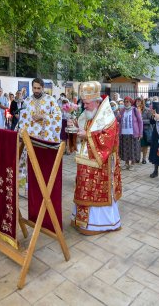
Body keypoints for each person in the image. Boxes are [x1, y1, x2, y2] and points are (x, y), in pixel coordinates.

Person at [69, 81, 122, 234]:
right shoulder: (89, 114)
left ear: (96, 102)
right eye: (84, 103)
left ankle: (100, 224)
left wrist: (88, 135)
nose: (84, 106)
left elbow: (108, 139)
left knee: (95, 191)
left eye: (86, 103)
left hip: (101, 163)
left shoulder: (107, 117)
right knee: (83, 188)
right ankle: (80, 220)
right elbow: (83, 131)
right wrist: (76, 127)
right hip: (86, 160)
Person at [18, 78, 62, 143]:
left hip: (45, 135)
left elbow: (58, 115)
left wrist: (44, 116)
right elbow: (22, 119)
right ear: (32, 87)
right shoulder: (27, 101)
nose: (36, 90)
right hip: (30, 135)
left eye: (38, 88)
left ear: (43, 88)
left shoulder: (50, 100)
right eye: (34, 88)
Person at [119, 96, 142, 170]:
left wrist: (140, 133)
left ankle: (132, 164)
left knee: (133, 149)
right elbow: (118, 119)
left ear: (131, 102)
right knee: (125, 148)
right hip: (123, 133)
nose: (125, 103)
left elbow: (140, 122)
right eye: (124, 101)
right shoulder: (122, 110)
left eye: (127, 101)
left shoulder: (135, 110)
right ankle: (126, 163)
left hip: (133, 133)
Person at [135, 97, 152, 164]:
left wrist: (141, 120)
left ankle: (144, 158)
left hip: (145, 130)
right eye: (137, 101)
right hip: (137, 130)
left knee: (144, 145)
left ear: (142, 102)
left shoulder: (147, 110)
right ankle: (137, 157)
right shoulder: (134, 110)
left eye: (139, 101)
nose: (138, 102)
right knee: (137, 145)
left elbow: (150, 121)